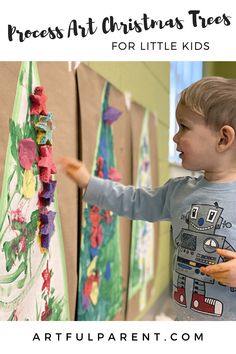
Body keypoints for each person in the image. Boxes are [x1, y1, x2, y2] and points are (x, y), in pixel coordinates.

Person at [60, 76, 236, 320]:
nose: (175, 137)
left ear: (223, 139)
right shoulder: (178, 192)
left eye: (184, 127)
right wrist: (89, 183)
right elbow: (134, 201)